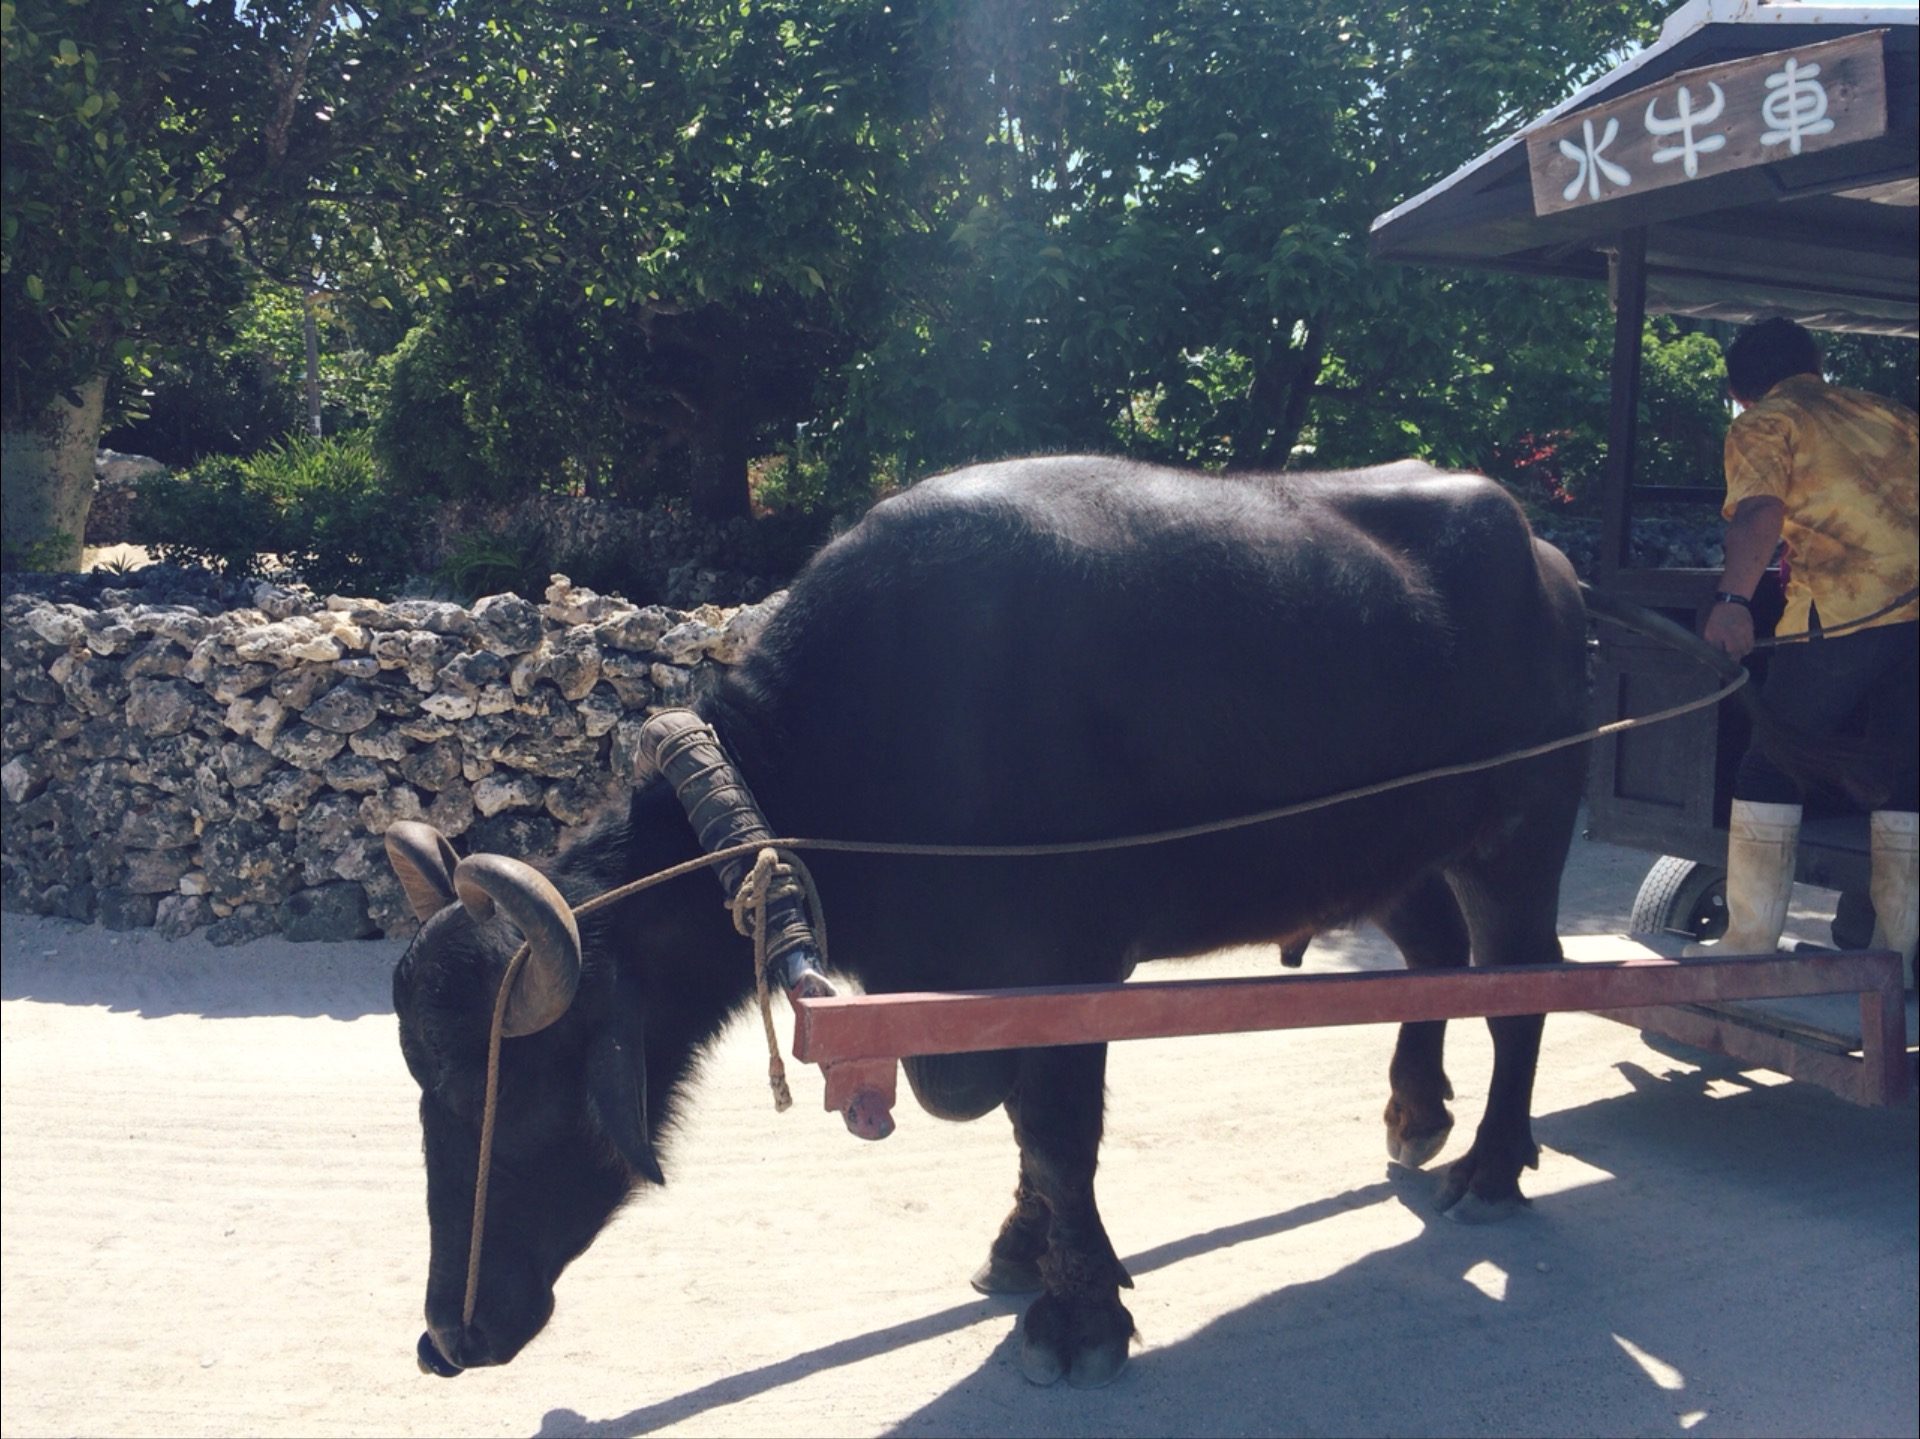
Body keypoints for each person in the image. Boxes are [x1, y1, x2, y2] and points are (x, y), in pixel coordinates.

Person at [1697, 317, 1917, 983]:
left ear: (1743, 391)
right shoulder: (1893, 415)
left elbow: (1761, 516)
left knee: (1771, 764)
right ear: (1815, 361)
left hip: (1845, 613)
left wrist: (1733, 603)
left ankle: (1747, 951)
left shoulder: (1769, 422)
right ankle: (1896, 959)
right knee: (1905, 776)